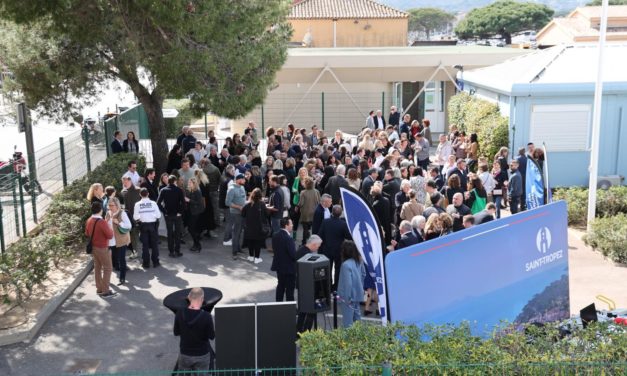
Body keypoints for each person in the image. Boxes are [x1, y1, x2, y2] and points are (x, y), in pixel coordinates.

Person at [173, 287, 216, 373]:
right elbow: (212, 336)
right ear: (202, 299)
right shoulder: (206, 316)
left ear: (189, 298)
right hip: (202, 354)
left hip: (185, 353)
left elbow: (176, 332)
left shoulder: (179, 313)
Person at [85, 201, 116, 298]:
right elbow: (110, 235)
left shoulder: (89, 220)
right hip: (102, 247)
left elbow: (87, 233)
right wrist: (108, 226)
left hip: (94, 247)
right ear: (101, 210)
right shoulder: (101, 222)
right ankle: (105, 291)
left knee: (97, 268)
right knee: (108, 268)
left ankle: (99, 289)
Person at [318, 205, 352, 288]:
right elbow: (349, 237)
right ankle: (336, 286)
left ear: (332, 212)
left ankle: (327, 286)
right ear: (340, 214)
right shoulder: (343, 224)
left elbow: (320, 234)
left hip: (327, 249)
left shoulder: (325, 222)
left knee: (327, 269)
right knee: (338, 269)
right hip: (339, 250)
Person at [295, 235, 323, 333]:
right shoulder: (307, 255)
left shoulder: (301, 250)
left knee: (302, 310)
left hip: (302, 285)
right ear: (314, 244)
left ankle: (299, 331)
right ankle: (306, 333)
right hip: (307, 287)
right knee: (310, 312)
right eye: (318, 246)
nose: (318, 248)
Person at [337, 241, 366, 328]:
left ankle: (348, 340)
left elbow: (347, 283)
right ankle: (359, 338)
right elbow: (364, 274)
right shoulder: (359, 261)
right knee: (357, 317)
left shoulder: (345, 265)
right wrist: (359, 286)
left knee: (348, 321)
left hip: (348, 297)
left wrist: (347, 298)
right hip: (358, 294)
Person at [157, 175, 185, 258]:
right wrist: (180, 212)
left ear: (168, 181)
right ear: (175, 181)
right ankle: (177, 251)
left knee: (169, 233)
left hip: (168, 215)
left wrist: (164, 211)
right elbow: (183, 203)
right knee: (177, 233)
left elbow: (158, 203)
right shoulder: (179, 190)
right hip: (177, 215)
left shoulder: (163, 190)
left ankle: (171, 251)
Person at [105, 197, 131, 285]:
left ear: (117, 205)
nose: (110, 207)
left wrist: (118, 222)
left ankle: (122, 278)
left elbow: (129, 226)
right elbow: (106, 226)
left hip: (121, 240)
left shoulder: (122, 213)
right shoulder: (108, 213)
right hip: (111, 241)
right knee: (114, 259)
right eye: (109, 205)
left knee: (121, 259)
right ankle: (117, 269)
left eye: (112, 205)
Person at [133, 188, 162, 268]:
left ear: (140, 195)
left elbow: (135, 217)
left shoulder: (137, 204)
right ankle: (156, 262)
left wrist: (141, 217)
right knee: (154, 244)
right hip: (153, 225)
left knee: (145, 245)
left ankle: (146, 263)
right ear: (148, 194)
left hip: (143, 225)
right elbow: (159, 215)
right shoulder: (153, 203)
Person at [271, 218, 296, 302]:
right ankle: (290, 308)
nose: (292, 225)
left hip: (279, 266)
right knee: (289, 290)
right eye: (291, 224)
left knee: (280, 286)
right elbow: (293, 255)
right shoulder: (288, 239)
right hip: (289, 268)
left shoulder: (275, 235)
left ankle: (278, 305)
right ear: (286, 226)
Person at [241, 188, 267, 264]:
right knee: (257, 243)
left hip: (249, 227)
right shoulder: (262, 204)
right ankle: (257, 258)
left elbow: (243, 214)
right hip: (259, 227)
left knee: (250, 242)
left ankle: (251, 256)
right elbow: (266, 214)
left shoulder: (248, 204)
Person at [225, 173, 247, 259]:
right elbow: (227, 203)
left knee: (239, 232)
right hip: (235, 213)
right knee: (236, 232)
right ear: (238, 180)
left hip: (242, 213)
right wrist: (238, 207)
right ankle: (234, 252)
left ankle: (238, 248)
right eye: (243, 179)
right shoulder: (231, 189)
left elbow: (243, 198)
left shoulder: (242, 187)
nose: (244, 181)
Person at [120, 176, 141, 258]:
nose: (124, 184)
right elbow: (122, 205)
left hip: (137, 217)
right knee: (131, 235)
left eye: (125, 182)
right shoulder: (123, 192)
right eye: (123, 182)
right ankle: (134, 251)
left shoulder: (138, 190)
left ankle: (136, 251)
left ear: (130, 181)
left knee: (135, 235)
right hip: (127, 217)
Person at [297, 177, 320, 245]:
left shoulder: (303, 192)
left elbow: (301, 203)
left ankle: (304, 243)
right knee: (314, 229)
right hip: (314, 212)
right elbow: (319, 202)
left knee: (305, 229)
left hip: (305, 213)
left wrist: (297, 206)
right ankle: (313, 242)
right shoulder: (317, 191)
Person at [185, 178, 205, 252]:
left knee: (191, 228)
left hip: (195, 212)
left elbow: (199, 202)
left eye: (190, 183)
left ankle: (197, 244)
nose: (189, 184)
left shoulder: (197, 191)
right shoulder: (191, 190)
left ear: (194, 184)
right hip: (191, 212)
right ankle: (196, 244)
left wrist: (189, 200)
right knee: (191, 228)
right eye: (189, 182)